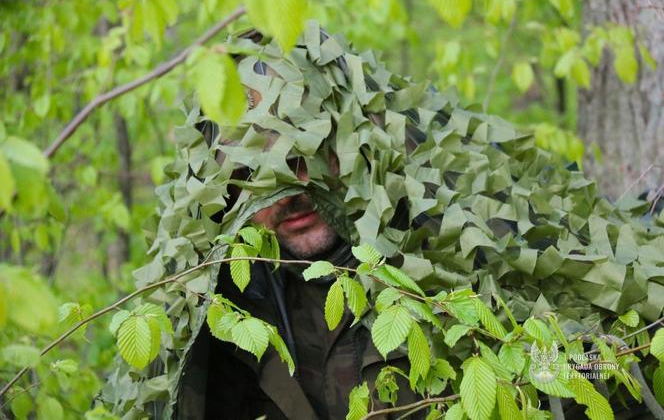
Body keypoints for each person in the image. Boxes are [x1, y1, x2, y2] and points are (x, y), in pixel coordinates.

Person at [103, 23, 664, 419]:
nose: (294, 191)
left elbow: (590, 367)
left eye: (304, 160)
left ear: (345, 150)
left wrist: (559, 373)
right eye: (256, 181)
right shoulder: (226, 316)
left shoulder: (442, 251)